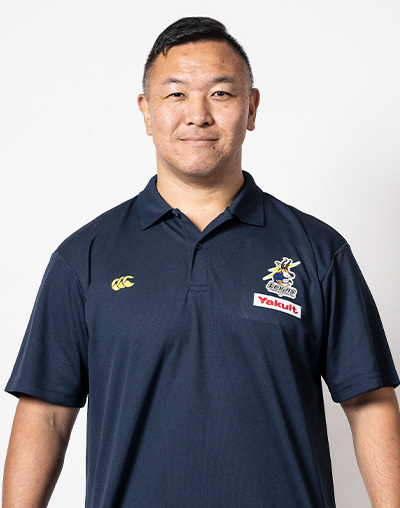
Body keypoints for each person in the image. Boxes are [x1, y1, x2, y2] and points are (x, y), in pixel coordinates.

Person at [3, 16, 400, 508]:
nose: (198, 115)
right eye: (176, 94)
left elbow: (368, 401)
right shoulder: (84, 257)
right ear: (146, 112)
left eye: (221, 94)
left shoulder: (318, 251)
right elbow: (45, 413)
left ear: (250, 108)